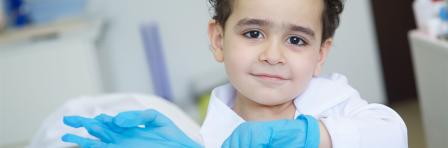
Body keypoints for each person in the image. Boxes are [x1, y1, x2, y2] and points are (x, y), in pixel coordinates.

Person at [61, 0, 408, 147]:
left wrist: (309, 137)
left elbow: (392, 134)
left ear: (320, 55)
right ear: (218, 40)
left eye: (296, 39)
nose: (273, 56)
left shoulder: (335, 104)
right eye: (253, 33)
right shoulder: (212, 138)